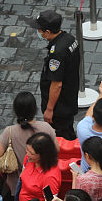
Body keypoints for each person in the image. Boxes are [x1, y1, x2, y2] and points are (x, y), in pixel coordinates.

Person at [35, 9, 81, 138]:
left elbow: (56, 84)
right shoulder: (69, 38)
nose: (38, 32)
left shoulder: (57, 53)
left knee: (63, 136)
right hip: (69, 96)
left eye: (40, 30)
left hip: (60, 106)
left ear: (48, 32)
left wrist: (49, 110)